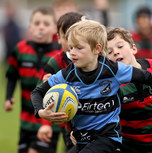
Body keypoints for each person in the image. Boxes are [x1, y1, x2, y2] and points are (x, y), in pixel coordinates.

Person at [31, 19, 152, 153]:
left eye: (79, 48)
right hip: (83, 139)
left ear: (97, 49)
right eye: (71, 48)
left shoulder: (113, 70)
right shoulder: (67, 74)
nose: (72, 53)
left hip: (108, 138)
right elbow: (38, 92)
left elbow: (149, 78)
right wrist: (41, 112)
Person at [4, 6, 62, 153]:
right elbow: (12, 76)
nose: (41, 27)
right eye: (37, 23)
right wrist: (8, 97)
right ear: (30, 27)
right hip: (25, 121)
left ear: (54, 29)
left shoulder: (60, 54)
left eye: (46, 24)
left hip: (50, 122)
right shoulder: (20, 49)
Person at [106, 27, 152, 153]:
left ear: (133, 48)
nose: (115, 52)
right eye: (109, 52)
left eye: (120, 46)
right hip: (122, 144)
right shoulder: (112, 85)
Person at [37, 11, 85, 151]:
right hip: (69, 124)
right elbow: (39, 91)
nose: (72, 43)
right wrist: (45, 124)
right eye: (66, 38)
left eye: (76, 38)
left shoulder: (93, 59)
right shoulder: (56, 62)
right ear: (58, 38)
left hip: (94, 120)